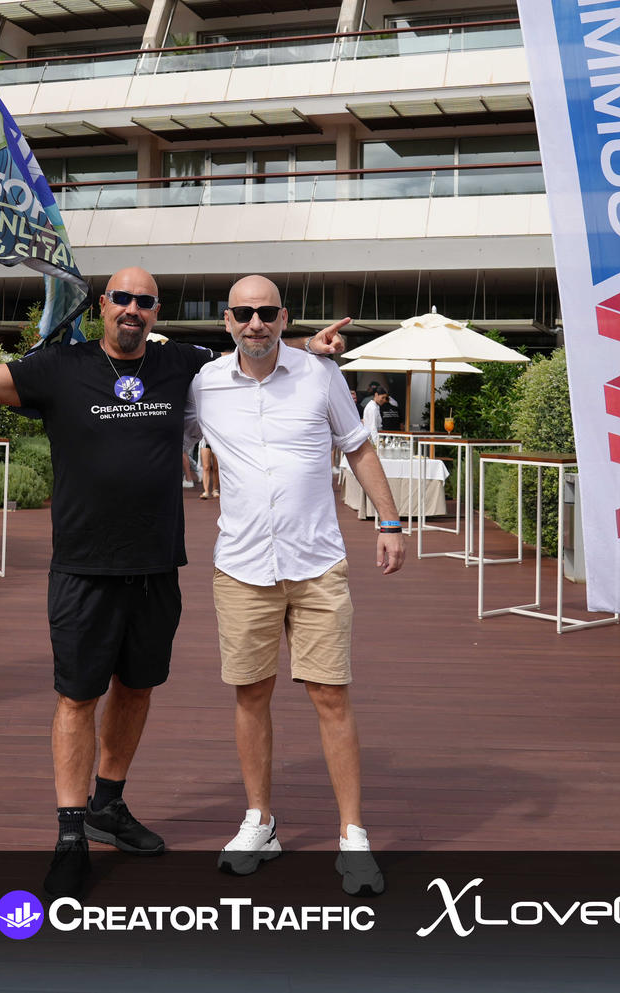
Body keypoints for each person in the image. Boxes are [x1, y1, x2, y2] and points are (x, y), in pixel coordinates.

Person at [0, 268, 347, 901]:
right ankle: (70, 834)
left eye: (145, 302)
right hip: (83, 567)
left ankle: (108, 804)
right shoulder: (59, 367)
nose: (132, 309)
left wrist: (306, 348)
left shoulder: (181, 365)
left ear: (156, 311)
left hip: (156, 567)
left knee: (136, 688)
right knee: (78, 698)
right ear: (102, 306)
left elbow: (252, 352)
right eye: (122, 299)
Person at [187, 275, 407, 898]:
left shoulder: (319, 375)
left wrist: (390, 522)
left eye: (266, 312)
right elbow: (157, 431)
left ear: (283, 317)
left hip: (316, 563)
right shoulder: (204, 385)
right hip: (242, 566)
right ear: (227, 321)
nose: (254, 323)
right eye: (243, 313)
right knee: (250, 695)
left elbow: (358, 447)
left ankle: (353, 835)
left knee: (331, 696)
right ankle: (260, 822)